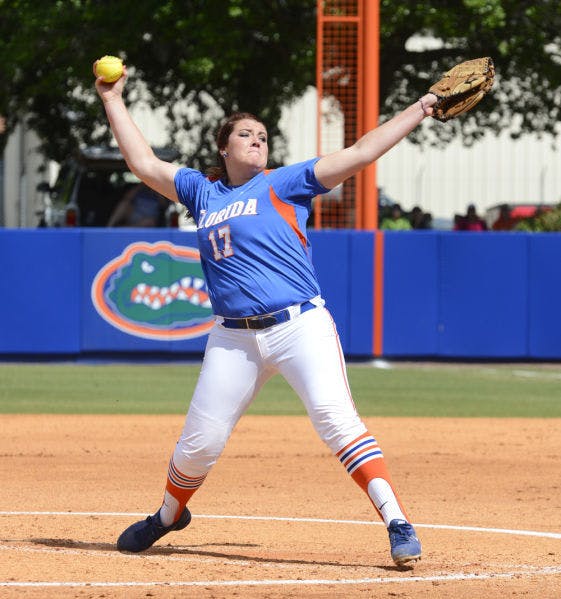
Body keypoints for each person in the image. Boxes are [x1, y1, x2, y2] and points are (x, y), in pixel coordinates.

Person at [94, 59, 440, 567]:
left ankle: (397, 521)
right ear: (223, 147)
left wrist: (421, 108)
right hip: (234, 339)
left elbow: (361, 151)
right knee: (199, 445)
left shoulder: (287, 182)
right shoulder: (202, 192)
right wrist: (112, 99)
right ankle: (168, 515)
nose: (258, 140)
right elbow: (144, 164)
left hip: (300, 325)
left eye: (262, 135)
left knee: (336, 421)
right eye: (246, 134)